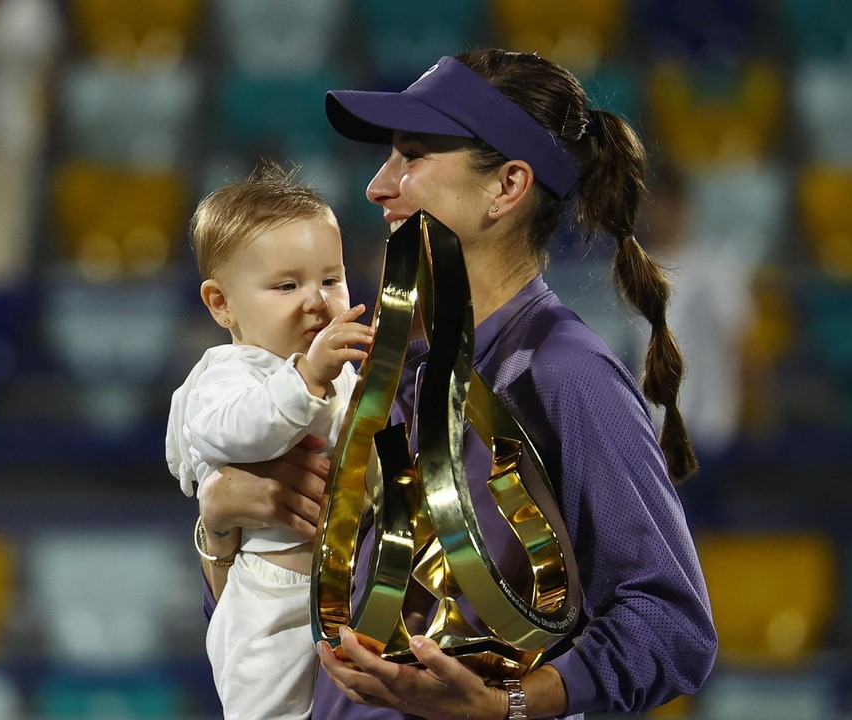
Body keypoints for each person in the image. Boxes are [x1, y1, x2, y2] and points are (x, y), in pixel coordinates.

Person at [198, 48, 717, 720]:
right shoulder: (387, 376)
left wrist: (512, 705)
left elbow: (672, 626)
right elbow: (285, 642)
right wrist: (220, 530)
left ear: (506, 186)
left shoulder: (563, 370)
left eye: (411, 156)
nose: (377, 187)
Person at [165, 162, 374, 720]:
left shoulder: (338, 367)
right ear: (221, 303)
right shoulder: (228, 373)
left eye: (331, 279)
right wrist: (307, 377)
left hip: (348, 584)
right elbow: (237, 429)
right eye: (286, 285)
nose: (316, 301)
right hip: (270, 590)